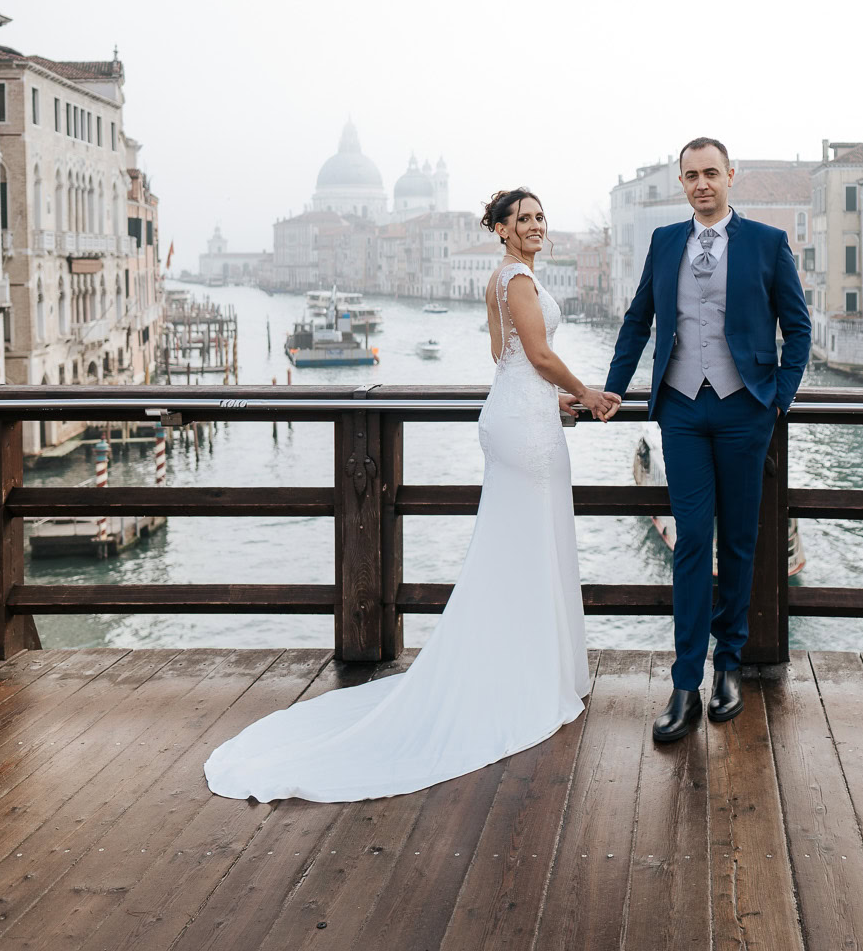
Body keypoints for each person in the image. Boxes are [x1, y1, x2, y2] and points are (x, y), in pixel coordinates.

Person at [204, 188, 613, 802]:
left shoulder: (501, 280)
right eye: (522, 219)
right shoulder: (520, 280)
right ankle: (530, 674)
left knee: (514, 544)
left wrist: (545, 398)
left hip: (515, 413)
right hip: (525, 429)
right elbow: (536, 353)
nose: (535, 226)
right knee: (531, 543)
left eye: (539, 217)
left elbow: (501, 358)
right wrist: (589, 394)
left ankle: (520, 665)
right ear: (500, 229)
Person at [603, 137, 810, 742]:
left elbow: (797, 329)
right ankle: (684, 680)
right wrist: (615, 389)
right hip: (682, 411)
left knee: (741, 541)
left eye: (711, 173)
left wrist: (779, 398)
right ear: (682, 183)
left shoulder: (768, 244)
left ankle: (729, 666)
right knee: (694, 539)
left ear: (730, 177)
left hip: (746, 409)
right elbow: (639, 319)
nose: (701, 184)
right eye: (691, 175)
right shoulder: (665, 241)